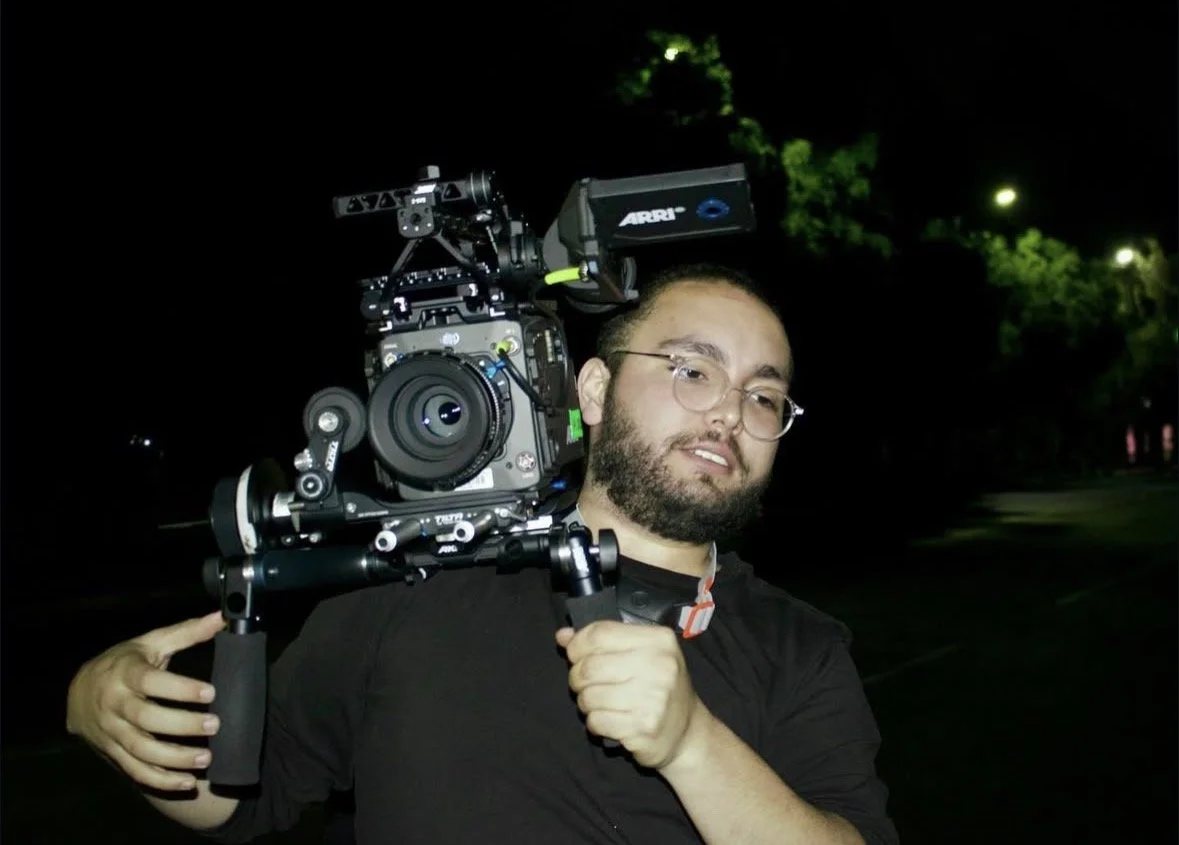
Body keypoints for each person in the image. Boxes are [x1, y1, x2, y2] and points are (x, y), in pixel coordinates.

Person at [65, 263, 900, 844]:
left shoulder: (802, 648)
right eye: (691, 369)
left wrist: (692, 745)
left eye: (765, 394)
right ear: (595, 392)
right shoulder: (411, 587)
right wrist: (110, 717)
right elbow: (243, 794)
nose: (728, 411)